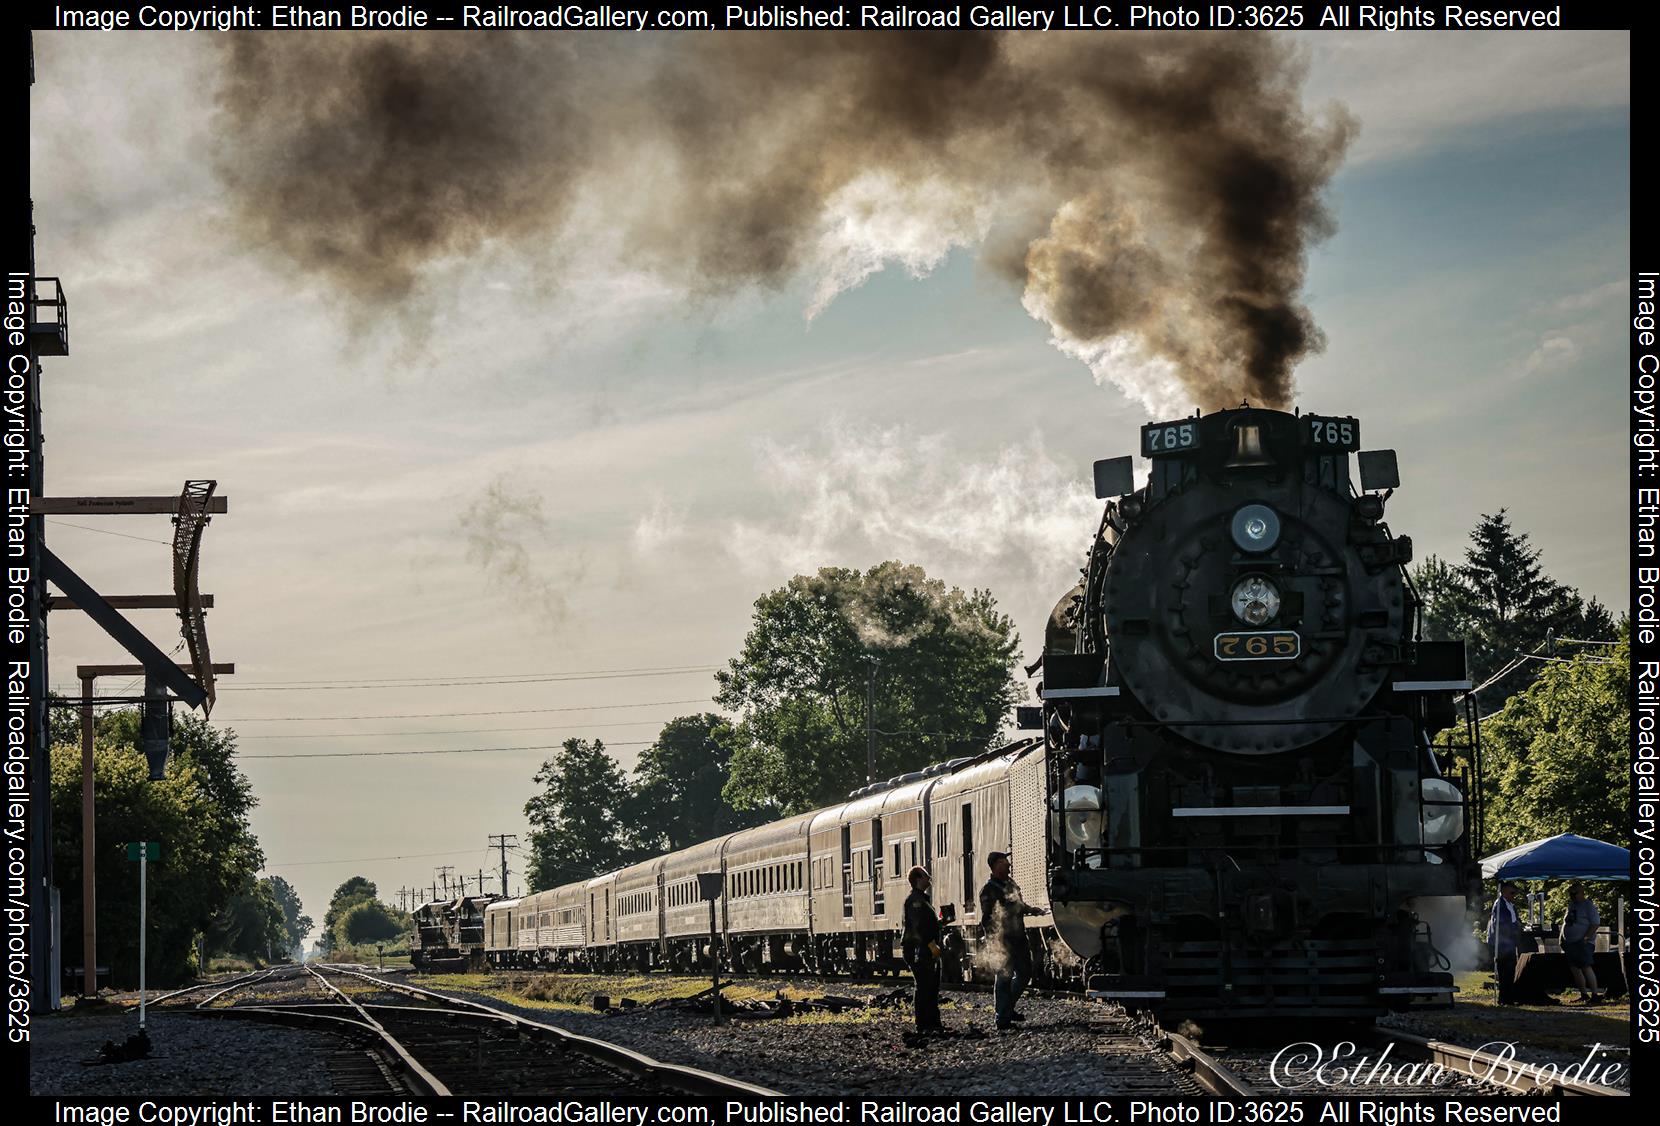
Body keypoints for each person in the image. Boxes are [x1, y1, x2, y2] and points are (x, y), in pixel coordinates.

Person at [979, 851, 1042, 1031]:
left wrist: (1031, 909)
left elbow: (1018, 905)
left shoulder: (1011, 883)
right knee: (1004, 978)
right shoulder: (989, 890)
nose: (1008, 864)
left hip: (1019, 938)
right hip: (1003, 941)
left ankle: (1008, 1007)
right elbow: (987, 918)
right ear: (995, 865)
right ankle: (1002, 1018)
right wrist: (994, 941)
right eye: (1004, 861)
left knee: (1024, 973)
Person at [901, 865, 946, 1033]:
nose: (929, 879)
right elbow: (918, 928)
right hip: (918, 949)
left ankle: (933, 1023)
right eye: (926, 876)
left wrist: (940, 923)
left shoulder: (922, 899)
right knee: (924, 985)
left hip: (926, 947)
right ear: (918, 879)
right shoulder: (915, 901)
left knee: (932, 986)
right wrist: (930, 945)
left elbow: (926, 924)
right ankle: (923, 1024)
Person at [1560, 883, 1602, 1003]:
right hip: (1570, 943)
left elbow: (1595, 923)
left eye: (1575, 893)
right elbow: (1566, 923)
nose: (1572, 896)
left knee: (1586, 967)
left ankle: (1595, 994)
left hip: (1583, 943)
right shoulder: (1572, 905)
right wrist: (1561, 937)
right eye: (1571, 894)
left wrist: (1585, 938)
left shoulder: (1589, 906)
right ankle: (1584, 994)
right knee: (1575, 969)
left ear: (1582, 893)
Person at [1486, 881, 1522, 1005]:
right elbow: (1501, 924)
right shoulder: (1500, 905)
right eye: (1512, 892)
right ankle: (1505, 998)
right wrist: (1515, 926)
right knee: (1505, 971)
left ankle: (1508, 997)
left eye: (1514, 893)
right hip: (1502, 943)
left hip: (1509, 942)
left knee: (1510, 970)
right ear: (1504, 892)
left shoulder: (1509, 905)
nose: (1514, 895)